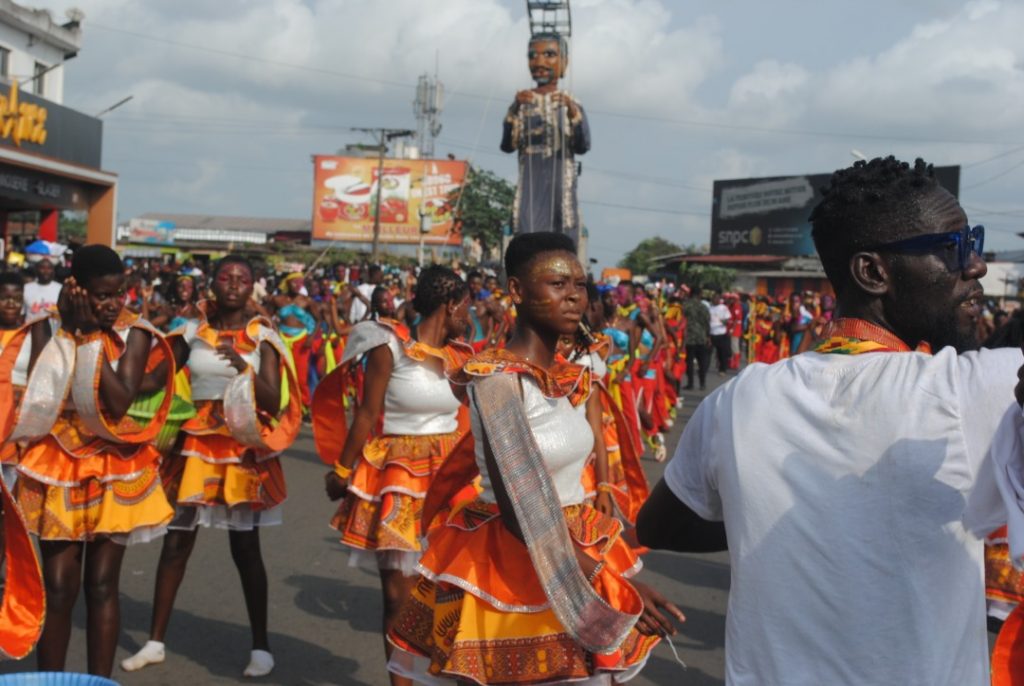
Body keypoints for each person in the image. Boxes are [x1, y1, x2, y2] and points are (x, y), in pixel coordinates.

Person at [637, 156, 1021, 685]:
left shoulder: (739, 399)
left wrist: (786, 520)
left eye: (972, 242)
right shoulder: (971, 389)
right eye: (954, 248)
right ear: (873, 272)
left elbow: (658, 523)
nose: (975, 266)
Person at [388, 232, 682, 685]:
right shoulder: (497, 381)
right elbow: (522, 510)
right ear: (518, 292)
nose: (573, 297)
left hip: (575, 543)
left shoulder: (563, 378)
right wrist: (612, 582)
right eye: (557, 284)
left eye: (579, 285)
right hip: (514, 561)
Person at [122, 255, 301, 678]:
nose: (234, 284)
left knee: (245, 547)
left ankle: (261, 647)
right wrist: (113, 370)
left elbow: (274, 400)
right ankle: (154, 642)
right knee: (177, 543)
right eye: (226, 277)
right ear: (214, 284)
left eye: (242, 278)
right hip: (195, 445)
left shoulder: (263, 337)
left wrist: (242, 368)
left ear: (253, 286)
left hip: (240, 447)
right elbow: (154, 379)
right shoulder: (193, 332)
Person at [16, 245, 176, 677]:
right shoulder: (46, 329)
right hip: (59, 464)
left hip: (114, 464)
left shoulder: (134, 332)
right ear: (76, 288)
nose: (111, 304)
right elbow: (39, 393)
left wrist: (88, 337)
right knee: (59, 587)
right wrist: (71, 331)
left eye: (118, 294)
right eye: (101, 295)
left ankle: (96, 682)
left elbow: (120, 400)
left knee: (102, 584)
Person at [316, 265, 472, 686]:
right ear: (450, 304)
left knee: (449, 591)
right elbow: (367, 413)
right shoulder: (390, 345)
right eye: (466, 306)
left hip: (449, 478)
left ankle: (444, 675)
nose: (469, 315)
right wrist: (343, 470)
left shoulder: (461, 355)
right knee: (396, 594)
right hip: (398, 474)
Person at [501, 33, 590, 242]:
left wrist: (570, 109)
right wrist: (514, 108)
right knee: (528, 239)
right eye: (533, 55)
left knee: (563, 238)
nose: (540, 62)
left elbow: (583, 145)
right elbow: (507, 145)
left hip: (561, 186)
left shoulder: (571, 101)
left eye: (549, 54)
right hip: (530, 186)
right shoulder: (522, 102)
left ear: (564, 62)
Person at [682, 285, 711, 390]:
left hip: (688, 337)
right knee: (701, 362)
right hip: (701, 337)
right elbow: (707, 322)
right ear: (699, 294)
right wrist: (708, 336)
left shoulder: (685, 305)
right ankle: (702, 383)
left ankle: (690, 383)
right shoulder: (703, 307)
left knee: (689, 361)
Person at [708, 293, 732, 374]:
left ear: (719, 300)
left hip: (721, 333)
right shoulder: (710, 308)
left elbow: (728, 318)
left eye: (716, 298)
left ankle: (722, 369)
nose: (715, 300)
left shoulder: (723, 308)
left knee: (721, 353)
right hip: (711, 333)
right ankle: (704, 368)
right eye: (713, 298)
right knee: (708, 352)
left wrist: (723, 322)